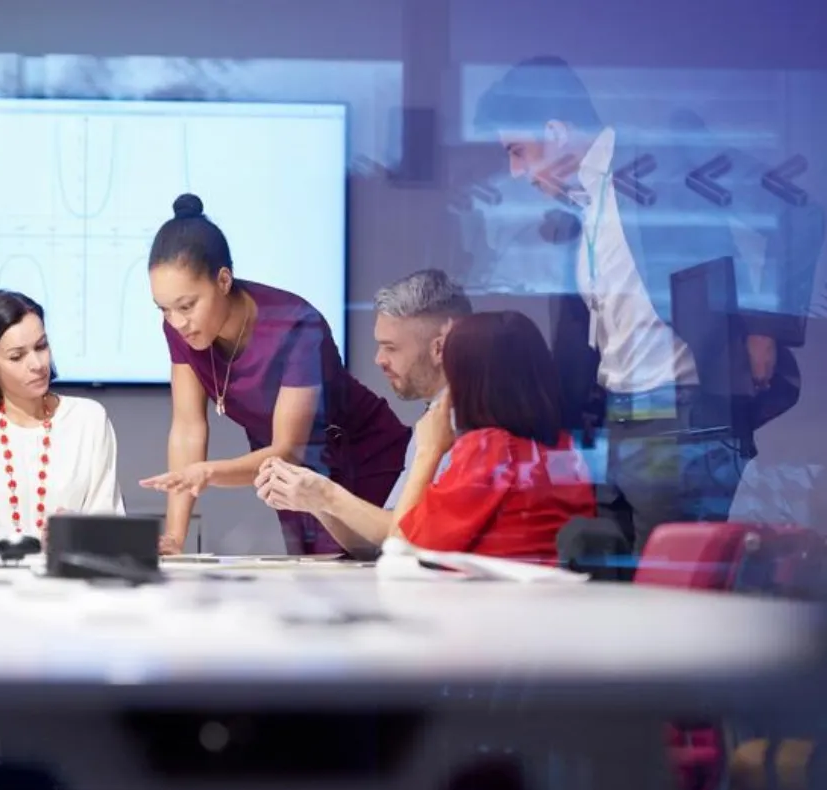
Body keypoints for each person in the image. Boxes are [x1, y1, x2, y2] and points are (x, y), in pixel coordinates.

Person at [472, 55, 813, 555]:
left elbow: (793, 211)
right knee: (608, 581)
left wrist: (765, 328)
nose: (515, 172)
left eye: (518, 152)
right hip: (614, 425)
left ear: (556, 132)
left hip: (683, 417)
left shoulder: (666, 163)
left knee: (666, 585)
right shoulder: (576, 211)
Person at [139, 193, 412, 555]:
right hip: (287, 476)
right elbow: (188, 427)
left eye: (187, 306)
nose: (177, 322)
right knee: (314, 589)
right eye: (164, 309)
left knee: (373, 577)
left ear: (223, 280)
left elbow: (288, 449)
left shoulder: (295, 324)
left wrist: (207, 472)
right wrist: (175, 536)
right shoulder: (179, 328)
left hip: (361, 459)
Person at [255, 269, 472, 557]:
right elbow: (381, 542)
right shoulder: (432, 422)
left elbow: (404, 539)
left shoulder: (468, 425)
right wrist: (314, 501)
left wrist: (326, 495)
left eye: (391, 348)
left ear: (438, 349)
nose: (379, 359)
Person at [391, 311, 596, 561]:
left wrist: (428, 452)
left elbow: (401, 548)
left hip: (493, 597)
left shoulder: (490, 450)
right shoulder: (564, 447)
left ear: (467, 384)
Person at [0, 290, 125, 550]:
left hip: (71, 582)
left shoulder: (88, 420)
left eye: (41, 346)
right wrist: (30, 544)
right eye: (17, 356)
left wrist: (77, 532)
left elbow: (108, 520)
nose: (37, 363)